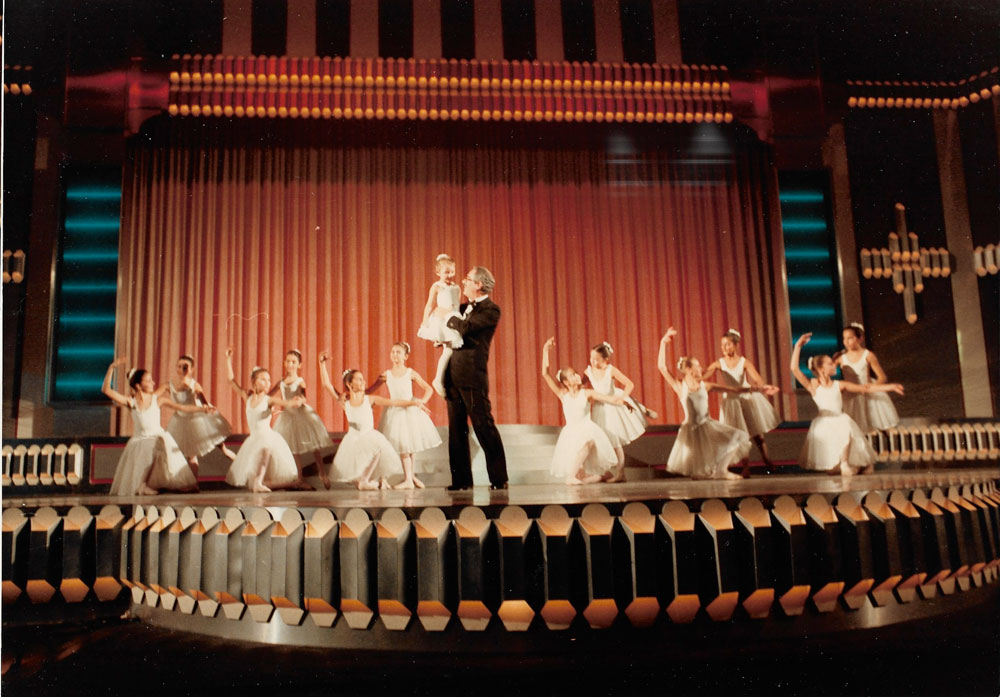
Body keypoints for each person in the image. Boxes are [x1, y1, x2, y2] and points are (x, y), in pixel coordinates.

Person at [791, 333, 904, 475]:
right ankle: (842, 465)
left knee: (846, 429)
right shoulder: (814, 386)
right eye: (830, 364)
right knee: (831, 470)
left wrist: (890, 387)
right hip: (824, 422)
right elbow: (794, 369)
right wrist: (798, 346)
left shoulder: (839, 385)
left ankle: (846, 463)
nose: (834, 365)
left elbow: (865, 388)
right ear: (821, 369)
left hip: (840, 419)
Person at [657, 328, 758, 480]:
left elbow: (734, 389)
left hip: (707, 425)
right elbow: (662, 367)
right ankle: (707, 472)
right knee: (697, 470)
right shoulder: (680, 386)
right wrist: (663, 343)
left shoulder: (706, 386)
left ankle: (721, 470)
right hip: (691, 428)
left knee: (737, 436)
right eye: (697, 366)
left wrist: (758, 389)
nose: (701, 368)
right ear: (689, 369)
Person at [442, 266, 508, 490]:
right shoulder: (462, 308)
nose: (463, 282)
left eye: (468, 279)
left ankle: (499, 479)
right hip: (453, 374)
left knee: (483, 425)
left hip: (472, 376)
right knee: (456, 430)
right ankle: (461, 481)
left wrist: (447, 316)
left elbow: (465, 327)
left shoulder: (491, 310)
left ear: (479, 284)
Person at [102, 357, 206, 496]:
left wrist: (201, 409)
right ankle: (141, 485)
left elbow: (182, 407)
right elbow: (106, 390)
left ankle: (154, 485)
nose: (153, 383)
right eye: (149, 380)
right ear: (139, 386)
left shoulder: (158, 400)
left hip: (157, 437)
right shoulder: (131, 402)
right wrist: (112, 367)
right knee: (151, 445)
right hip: (140, 440)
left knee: (156, 444)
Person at [318, 355, 420, 490]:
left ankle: (366, 480)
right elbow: (327, 385)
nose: (363, 381)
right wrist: (322, 364)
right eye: (359, 379)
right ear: (349, 384)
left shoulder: (370, 399)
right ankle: (367, 481)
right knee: (354, 471)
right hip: (353, 437)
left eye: (363, 379)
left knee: (377, 447)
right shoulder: (345, 402)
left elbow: (393, 402)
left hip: (368, 435)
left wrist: (414, 403)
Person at [223, 348, 307, 492]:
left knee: (266, 447)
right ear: (254, 382)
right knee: (254, 482)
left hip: (267, 436)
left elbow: (286, 403)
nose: (267, 383)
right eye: (263, 379)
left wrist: (297, 401)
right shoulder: (248, 397)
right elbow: (231, 381)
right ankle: (284, 484)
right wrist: (228, 359)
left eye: (269, 380)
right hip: (253, 439)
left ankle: (261, 483)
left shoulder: (269, 400)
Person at [542, 338, 621, 484]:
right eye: (572, 375)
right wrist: (545, 350)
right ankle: (573, 477)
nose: (577, 376)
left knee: (589, 443)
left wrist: (624, 401)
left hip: (586, 428)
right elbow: (545, 374)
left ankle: (580, 477)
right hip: (571, 432)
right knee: (583, 469)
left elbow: (608, 398)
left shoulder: (587, 393)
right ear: (566, 382)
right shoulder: (563, 395)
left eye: (576, 373)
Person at [703, 329, 782, 472]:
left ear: (735, 345)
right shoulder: (719, 363)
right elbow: (705, 375)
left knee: (757, 435)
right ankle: (746, 467)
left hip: (746, 399)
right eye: (722, 345)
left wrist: (763, 387)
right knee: (739, 434)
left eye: (727, 344)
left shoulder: (744, 362)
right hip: (732, 401)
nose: (724, 348)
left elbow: (757, 379)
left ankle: (767, 460)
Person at [367, 342, 441, 490]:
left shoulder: (410, 373)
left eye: (398, 352)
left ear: (405, 356)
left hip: (410, 411)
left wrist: (421, 402)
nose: (395, 355)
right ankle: (410, 478)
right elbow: (370, 390)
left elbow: (428, 389)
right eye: (393, 352)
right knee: (404, 446)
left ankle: (409, 479)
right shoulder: (386, 375)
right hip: (395, 411)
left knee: (409, 445)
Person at [585, 341, 655, 482]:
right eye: (591, 358)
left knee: (615, 441)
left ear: (605, 359)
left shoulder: (611, 370)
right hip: (599, 409)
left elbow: (629, 384)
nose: (592, 361)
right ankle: (602, 472)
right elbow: (580, 385)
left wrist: (622, 398)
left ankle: (621, 473)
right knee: (599, 440)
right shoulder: (588, 371)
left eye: (596, 359)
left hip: (612, 408)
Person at [166, 354, 236, 479]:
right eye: (179, 366)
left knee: (223, 449)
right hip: (181, 422)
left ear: (191, 369)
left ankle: (243, 466)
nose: (182, 369)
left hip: (198, 420)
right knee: (191, 455)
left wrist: (209, 410)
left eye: (185, 367)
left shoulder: (195, 385)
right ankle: (194, 483)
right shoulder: (170, 385)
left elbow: (204, 402)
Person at [270, 349, 333, 486]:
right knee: (293, 448)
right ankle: (299, 476)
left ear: (299, 365)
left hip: (301, 415)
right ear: (284, 363)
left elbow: (304, 396)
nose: (290, 364)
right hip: (287, 417)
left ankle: (322, 471)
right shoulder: (281, 382)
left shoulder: (300, 381)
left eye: (293, 362)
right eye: (288, 361)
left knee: (313, 444)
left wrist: (299, 400)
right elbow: (269, 395)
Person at [835, 323, 900, 432]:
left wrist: (872, 387)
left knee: (878, 427)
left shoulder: (868, 355)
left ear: (860, 338)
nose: (846, 341)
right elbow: (826, 370)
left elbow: (882, 377)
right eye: (844, 338)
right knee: (854, 429)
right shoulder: (841, 357)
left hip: (868, 393)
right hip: (851, 395)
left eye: (850, 338)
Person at [417, 253, 464, 397]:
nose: (450, 275)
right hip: (441, 319)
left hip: (453, 319)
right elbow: (430, 304)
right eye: (446, 272)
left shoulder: (456, 288)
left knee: (450, 351)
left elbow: (457, 305)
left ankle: (441, 379)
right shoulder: (437, 286)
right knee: (448, 350)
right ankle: (438, 379)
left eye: (452, 272)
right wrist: (425, 320)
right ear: (438, 272)